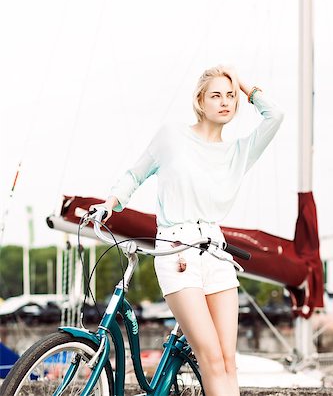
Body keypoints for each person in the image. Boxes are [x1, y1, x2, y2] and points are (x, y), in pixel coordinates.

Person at [91, 65, 283, 396]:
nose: (225, 102)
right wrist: (110, 203)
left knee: (226, 361)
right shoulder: (172, 137)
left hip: (216, 252)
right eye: (216, 95)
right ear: (199, 100)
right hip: (176, 249)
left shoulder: (238, 151)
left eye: (230, 96)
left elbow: (275, 116)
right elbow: (135, 175)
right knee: (209, 357)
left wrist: (245, 87)